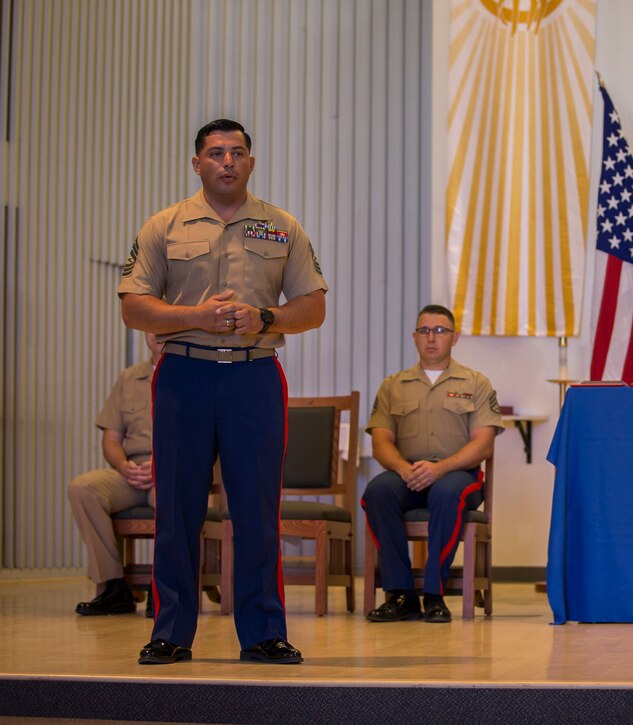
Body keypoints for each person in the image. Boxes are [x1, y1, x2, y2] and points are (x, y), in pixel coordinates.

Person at [118, 119, 327, 664]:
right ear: (197, 164)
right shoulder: (163, 226)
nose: (227, 162)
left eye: (237, 152)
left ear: (251, 163)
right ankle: (170, 631)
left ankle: (262, 632)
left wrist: (263, 315)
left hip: (253, 377)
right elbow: (132, 305)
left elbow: (313, 306)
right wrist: (198, 317)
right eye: (215, 153)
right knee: (177, 509)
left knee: (257, 510)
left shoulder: (282, 228)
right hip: (183, 377)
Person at [362, 304, 504, 623]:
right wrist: (401, 468)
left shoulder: (476, 383)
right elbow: (381, 440)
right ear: (414, 337)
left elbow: (484, 443)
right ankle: (401, 595)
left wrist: (440, 469)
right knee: (377, 492)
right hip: (408, 473)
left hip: (457, 475)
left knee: (446, 494)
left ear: (454, 338)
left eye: (440, 331)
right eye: (425, 331)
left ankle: (434, 595)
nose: (431, 338)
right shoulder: (393, 385)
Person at [68, 331, 162, 617]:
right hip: (131, 471)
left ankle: (163, 589)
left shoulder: (195, 375)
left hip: (174, 470)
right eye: (150, 325)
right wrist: (123, 466)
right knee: (83, 489)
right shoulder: (129, 378)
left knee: (173, 496)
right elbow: (111, 439)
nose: (157, 332)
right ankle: (113, 586)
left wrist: (159, 467)